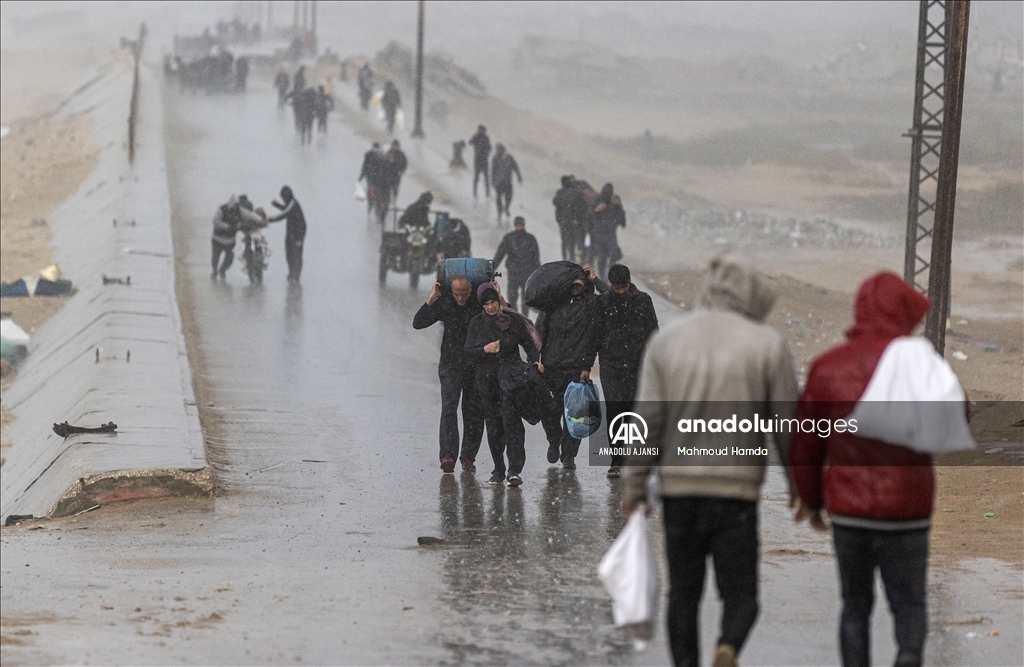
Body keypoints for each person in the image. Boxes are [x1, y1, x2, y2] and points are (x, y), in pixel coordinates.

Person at [623, 254, 799, 667]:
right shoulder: (766, 345)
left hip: (680, 491)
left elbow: (647, 420)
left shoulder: (668, 341)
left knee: (683, 593)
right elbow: (788, 427)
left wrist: (634, 485)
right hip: (736, 494)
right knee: (742, 595)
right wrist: (802, 488)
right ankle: (728, 646)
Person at [790, 272, 936, 667]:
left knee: (855, 606)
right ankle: (908, 654)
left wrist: (812, 501)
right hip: (907, 510)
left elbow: (805, 445)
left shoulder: (827, 367)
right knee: (909, 602)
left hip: (850, 513)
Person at [465, 283, 543, 487]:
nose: (491, 307)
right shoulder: (476, 323)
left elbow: (528, 342)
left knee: (512, 424)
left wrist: (536, 360)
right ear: (481, 305)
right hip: (487, 383)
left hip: (511, 381)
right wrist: (485, 349)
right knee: (494, 427)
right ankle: (498, 469)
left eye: (493, 302)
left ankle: (514, 470)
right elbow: (468, 351)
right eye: (486, 304)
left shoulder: (511, 320)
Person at [584, 264, 659, 478]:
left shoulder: (643, 301)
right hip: (610, 365)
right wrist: (586, 366)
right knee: (615, 409)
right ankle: (617, 460)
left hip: (636, 364)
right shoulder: (603, 303)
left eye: (623, 287)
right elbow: (594, 335)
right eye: (616, 288)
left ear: (629, 282)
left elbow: (654, 333)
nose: (620, 291)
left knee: (633, 410)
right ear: (611, 285)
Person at [536, 265, 608, 470]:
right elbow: (539, 332)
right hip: (551, 366)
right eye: (573, 283)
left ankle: (569, 455)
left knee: (575, 414)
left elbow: (611, 298)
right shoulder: (552, 303)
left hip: (576, 368)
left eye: (580, 284)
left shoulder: (591, 304)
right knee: (550, 411)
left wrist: (596, 280)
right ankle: (554, 440)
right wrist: (537, 359)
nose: (576, 287)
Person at [414, 275, 486, 474]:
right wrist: (431, 298)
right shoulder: (445, 303)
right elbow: (418, 323)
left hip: (474, 365)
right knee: (449, 409)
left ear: (471, 290)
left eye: (464, 294)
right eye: (457, 294)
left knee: (474, 413)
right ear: (451, 292)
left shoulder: (478, 304)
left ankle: (468, 457)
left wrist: (498, 296)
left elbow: (505, 317)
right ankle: (447, 456)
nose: (461, 298)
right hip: (450, 365)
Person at [492, 216, 540, 315]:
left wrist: (537, 273)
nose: (519, 226)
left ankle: (520, 318)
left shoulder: (512, 238)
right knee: (516, 298)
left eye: (520, 225)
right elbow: (500, 254)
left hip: (520, 272)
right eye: (518, 225)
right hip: (520, 272)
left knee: (519, 298)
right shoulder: (527, 238)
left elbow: (535, 257)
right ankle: (519, 317)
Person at [210, 195, 264, 279]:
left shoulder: (241, 212)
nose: (237, 207)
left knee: (229, 258)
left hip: (232, 240)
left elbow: (250, 217)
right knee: (216, 257)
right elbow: (215, 221)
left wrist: (260, 220)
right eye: (236, 205)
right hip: (218, 239)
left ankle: (221, 271)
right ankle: (215, 272)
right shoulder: (223, 209)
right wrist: (226, 226)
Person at [266, 186, 307, 282]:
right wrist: (277, 205)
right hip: (291, 232)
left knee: (297, 254)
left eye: (282, 198)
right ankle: (291, 273)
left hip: (298, 233)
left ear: (286, 196)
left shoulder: (293, 203)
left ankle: (296, 276)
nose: (283, 200)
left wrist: (269, 219)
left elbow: (284, 213)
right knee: (289, 253)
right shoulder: (290, 204)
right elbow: (286, 210)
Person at [588, 183, 626, 280]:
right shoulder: (597, 201)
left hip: (610, 234)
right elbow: (589, 215)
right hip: (599, 233)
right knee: (602, 256)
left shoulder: (614, 203)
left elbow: (621, 219)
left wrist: (618, 206)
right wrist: (597, 210)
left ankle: (610, 273)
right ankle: (602, 277)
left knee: (613, 254)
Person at [553, 175, 584, 262]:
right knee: (572, 239)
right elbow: (579, 206)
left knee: (564, 239)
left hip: (563, 220)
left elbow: (555, 202)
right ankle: (572, 256)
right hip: (572, 220)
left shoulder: (560, 192)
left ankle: (564, 257)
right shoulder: (575, 192)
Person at [491, 144, 522, 221]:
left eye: (502, 149)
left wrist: (519, 176)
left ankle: (506, 208)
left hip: (508, 181)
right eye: (499, 149)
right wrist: (493, 181)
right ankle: (499, 212)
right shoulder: (495, 159)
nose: (500, 151)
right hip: (499, 182)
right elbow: (493, 171)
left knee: (509, 197)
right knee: (498, 198)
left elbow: (515, 167)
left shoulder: (509, 157)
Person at [359, 142, 386, 221]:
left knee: (371, 192)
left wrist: (361, 176)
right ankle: (377, 209)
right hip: (379, 178)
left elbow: (365, 165)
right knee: (379, 193)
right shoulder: (382, 155)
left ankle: (370, 206)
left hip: (371, 177)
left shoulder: (369, 154)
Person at [469, 125, 491, 198]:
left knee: (485, 178)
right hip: (479, 161)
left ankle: (487, 194)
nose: (480, 131)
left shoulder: (485, 138)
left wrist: (485, 154)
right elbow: (470, 142)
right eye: (479, 129)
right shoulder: (477, 137)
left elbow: (489, 147)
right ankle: (475, 194)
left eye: (481, 130)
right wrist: (475, 135)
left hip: (483, 161)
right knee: (477, 178)